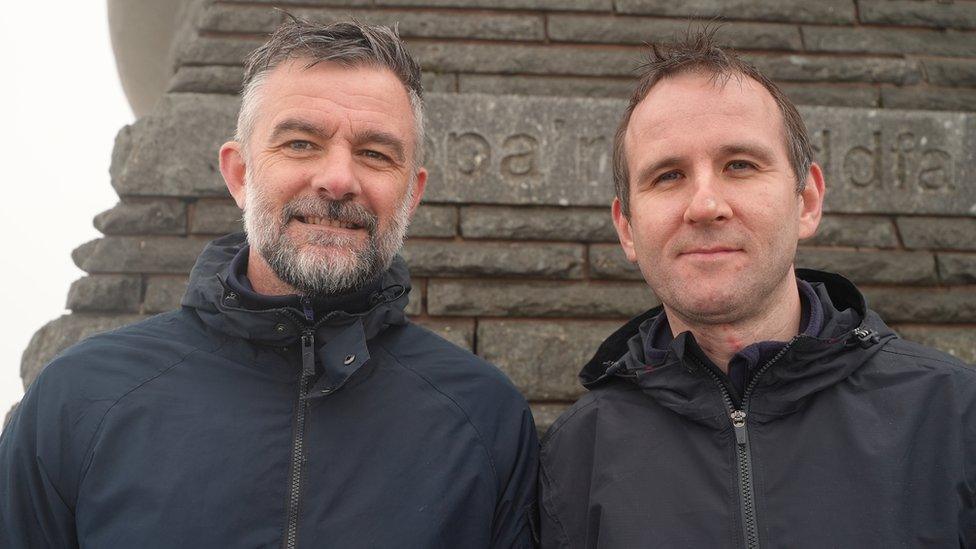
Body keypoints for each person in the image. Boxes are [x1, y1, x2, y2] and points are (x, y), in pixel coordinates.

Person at [1, 19, 538, 548]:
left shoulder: (485, 420)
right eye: (301, 143)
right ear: (240, 174)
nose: (338, 179)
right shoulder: (78, 400)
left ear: (412, 194)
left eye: (375, 154)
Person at [539, 29, 976, 548]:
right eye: (668, 175)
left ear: (808, 201)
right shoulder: (574, 455)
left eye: (739, 165)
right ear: (628, 229)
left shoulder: (954, 415)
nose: (705, 205)